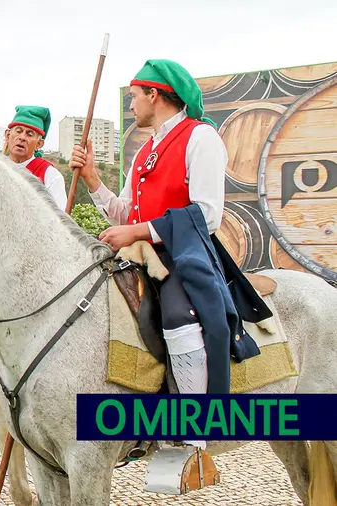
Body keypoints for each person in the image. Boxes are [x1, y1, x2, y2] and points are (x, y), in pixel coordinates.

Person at [69, 59, 266, 452]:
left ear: (154, 95)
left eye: (134, 97)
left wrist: (139, 230)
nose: (131, 106)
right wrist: (92, 178)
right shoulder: (145, 152)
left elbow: (207, 213)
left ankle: (192, 441)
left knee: (179, 318)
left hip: (184, 255)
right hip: (138, 254)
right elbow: (127, 212)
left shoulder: (201, 137)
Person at [4, 105, 67, 209]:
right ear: (7, 136)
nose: (22, 137)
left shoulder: (50, 176)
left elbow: (59, 220)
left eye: (29, 134)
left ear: (39, 144)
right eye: (18, 131)